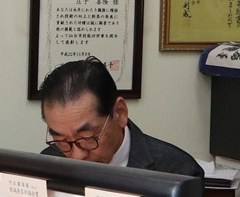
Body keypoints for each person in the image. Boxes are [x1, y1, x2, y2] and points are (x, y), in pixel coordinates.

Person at [37, 58, 204, 176]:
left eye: (87, 138)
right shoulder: (47, 165)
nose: (77, 156)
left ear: (119, 113)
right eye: (62, 140)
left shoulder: (177, 171)